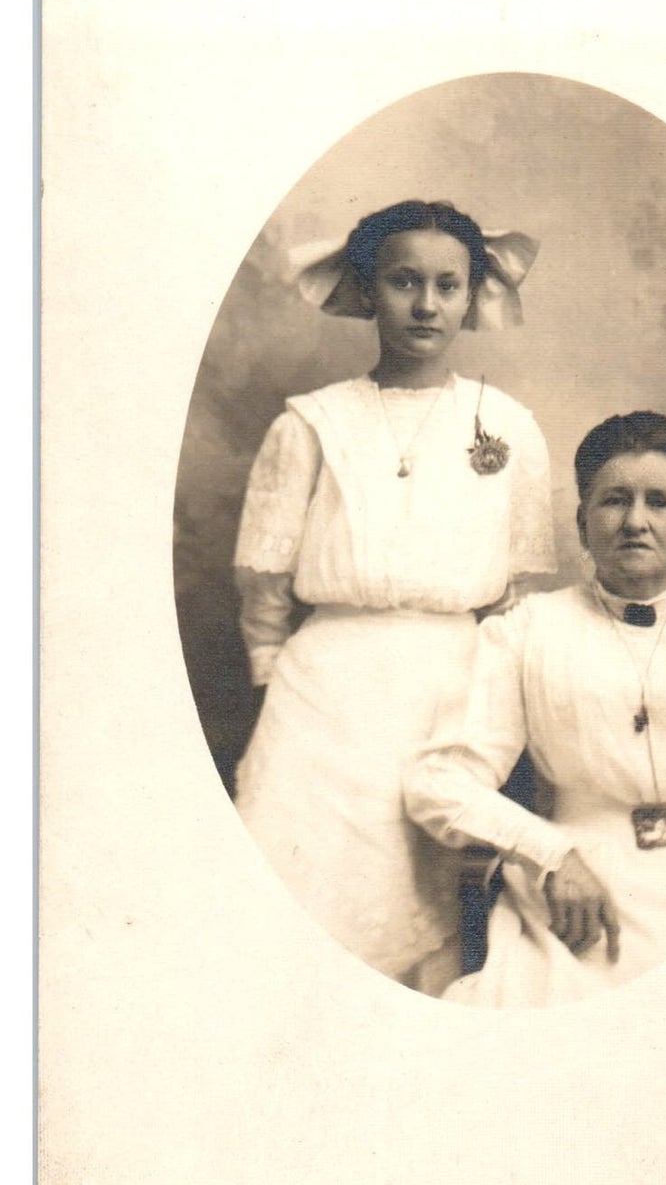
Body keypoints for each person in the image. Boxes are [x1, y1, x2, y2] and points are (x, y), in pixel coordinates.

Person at [232, 200, 555, 988]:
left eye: (447, 285)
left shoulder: (507, 427)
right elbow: (264, 568)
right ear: (369, 289)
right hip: (322, 691)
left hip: (447, 687)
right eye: (404, 281)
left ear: (471, 296)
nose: (425, 304)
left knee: (420, 895)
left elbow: (518, 588)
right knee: (289, 879)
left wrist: (496, 698)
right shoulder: (312, 422)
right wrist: (273, 664)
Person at [404, 411, 666, 1007]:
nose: (635, 522)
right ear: (582, 521)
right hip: (577, 894)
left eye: (661, 503)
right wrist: (550, 853)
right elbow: (439, 780)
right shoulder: (527, 631)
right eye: (613, 501)